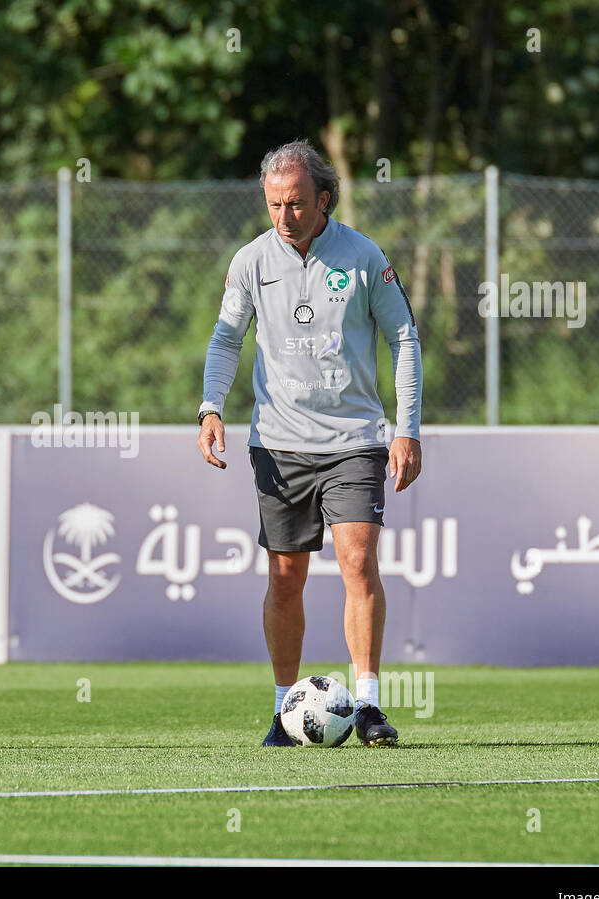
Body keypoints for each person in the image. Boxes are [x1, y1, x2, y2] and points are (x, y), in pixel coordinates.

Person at [197, 139, 422, 747]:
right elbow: (225, 340)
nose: (283, 216)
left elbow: (404, 337)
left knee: (357, 564)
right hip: (278, 445)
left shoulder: (365, 256)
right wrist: (210, 407)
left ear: (323, 198)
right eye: (273, 204)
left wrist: (406, 428)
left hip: (354, 440)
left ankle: (370, 705)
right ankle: (281, 708)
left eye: (295, 203)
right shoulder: (249, 262)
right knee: (286, 575)